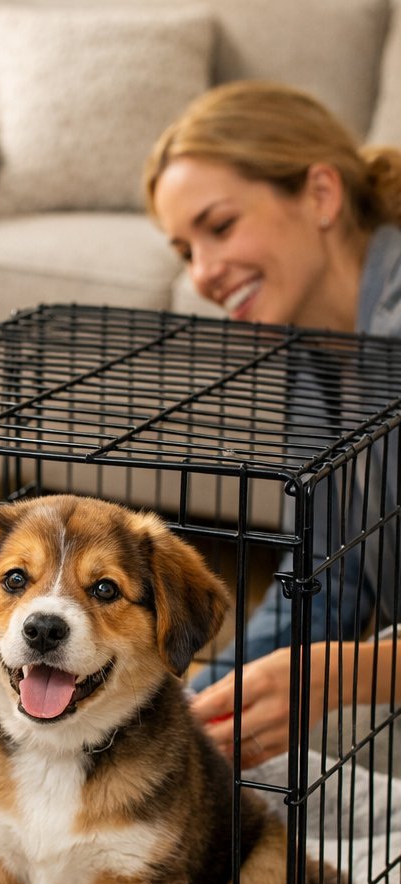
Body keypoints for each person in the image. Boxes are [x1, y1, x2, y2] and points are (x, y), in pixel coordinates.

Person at [143, 81, 401, 765]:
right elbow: (331, 576)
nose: (202, 274)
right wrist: (190, 706)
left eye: (219, 226)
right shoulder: (315, 349)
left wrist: (340, 676)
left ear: (320, 194)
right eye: (184, 251)